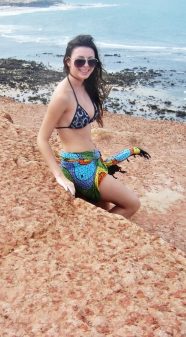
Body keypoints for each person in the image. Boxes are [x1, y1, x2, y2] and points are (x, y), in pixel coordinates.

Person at [37, 35, 150, 218]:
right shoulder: (62, 95)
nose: (86, 65)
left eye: (92, 61)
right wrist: (59, 175)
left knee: (103, 211)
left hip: (94, 162)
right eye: (80, 61)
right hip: (79, 168)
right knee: (132, 204)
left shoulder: (84, 86)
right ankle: (105, 232)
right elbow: (42, 138)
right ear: (68, 61)